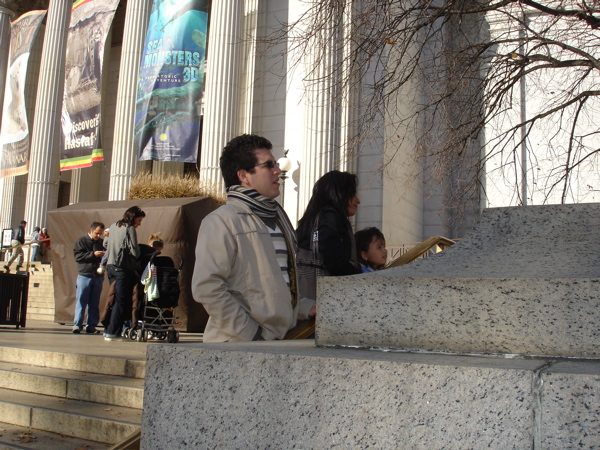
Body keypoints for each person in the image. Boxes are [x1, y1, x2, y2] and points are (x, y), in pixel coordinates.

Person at [192, 134, 314, 342]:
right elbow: (207, 286)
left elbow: (276, 286)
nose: (277, 170)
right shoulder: (222, 221)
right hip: (237, 347)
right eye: (268, 165)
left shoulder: (278, 220)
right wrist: (250, 335)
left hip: (277, 342)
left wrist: (305, 308)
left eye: (276, 163)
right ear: (244, 176)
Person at [296, 171, 362, 301]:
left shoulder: (312, 219)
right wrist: (360, 277)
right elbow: (334, 260)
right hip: (322, 299)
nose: (358, 201)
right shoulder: (329, 217)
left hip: (306, 295)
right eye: (353, 194)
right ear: (340, 194)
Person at [103, 206, 145, 341]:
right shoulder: (129, 228)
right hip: (122, 267)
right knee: (121, 301)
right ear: (133, 218)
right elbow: (134, 251)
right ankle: (113, 331)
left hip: (110, 266)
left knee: (112, 297)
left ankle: (107, 328)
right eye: (139, 220)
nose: (139, 224)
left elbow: (105, 243)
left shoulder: (113, 226)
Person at [72, 222, 106, 334]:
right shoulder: (81, 241)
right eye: (97, 233)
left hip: (97, 276)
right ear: (91, 230)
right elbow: (78, 257)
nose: (98, 236)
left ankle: (91, 325)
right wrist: (93, 254)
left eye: (100, 234)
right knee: (81, 301)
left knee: (94, 303)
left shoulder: (101, 242)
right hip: (84, 275)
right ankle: (77, 325)